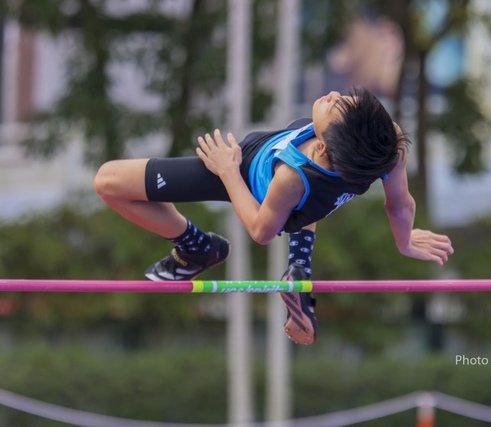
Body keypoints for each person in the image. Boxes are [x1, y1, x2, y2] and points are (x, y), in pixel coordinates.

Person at [94, 87, 454, 345]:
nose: (334, 95)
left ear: (322, 147)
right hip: (309, 189)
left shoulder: (289, 178)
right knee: (310, 199)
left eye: (335, 107)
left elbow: (261, 230)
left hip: (250, 175)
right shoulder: (386, 143)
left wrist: (228, 171)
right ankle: (300, 266)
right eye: (346, 99)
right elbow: (401, 205)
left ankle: (197, 247)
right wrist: (404, 242)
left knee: (108, 182)